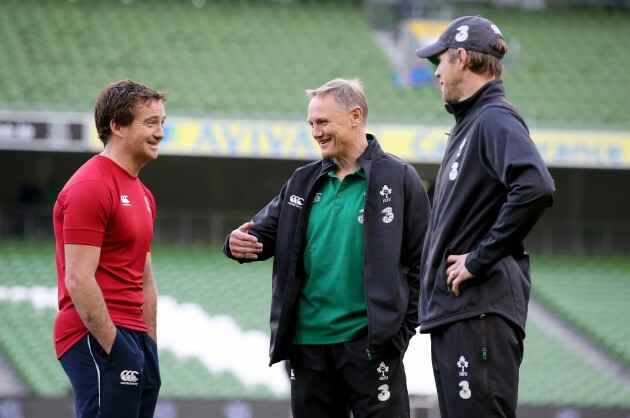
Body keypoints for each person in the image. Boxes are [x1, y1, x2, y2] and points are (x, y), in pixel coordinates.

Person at [224, 78, 431, 418]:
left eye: (322, 122)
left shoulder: (400, 178)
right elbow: (260, 234)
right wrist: (236, 243)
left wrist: (398, 333)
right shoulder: (301, 181)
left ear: (355, 116)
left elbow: (424, 263)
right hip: (308, 347)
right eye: (311, 124)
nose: (316, 132)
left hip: (371, 347)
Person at [414, 16, 555, 418]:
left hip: (478, 309)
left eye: (439, 61)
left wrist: (479, 259)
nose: (437, 71)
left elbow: (535, 187)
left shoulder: (493, 117)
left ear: (461, 58)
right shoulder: (470, 124)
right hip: (459, 312)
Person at [53, 79, 166, 418]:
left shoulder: (145, 195)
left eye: (162, 123)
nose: (160, 133)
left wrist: (150, 346)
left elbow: (145, 280)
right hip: (95, 334)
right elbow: (78, 278)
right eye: (151, 123)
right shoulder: (91, 186)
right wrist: (115, 346)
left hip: (135, 338)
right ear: (116, 126)